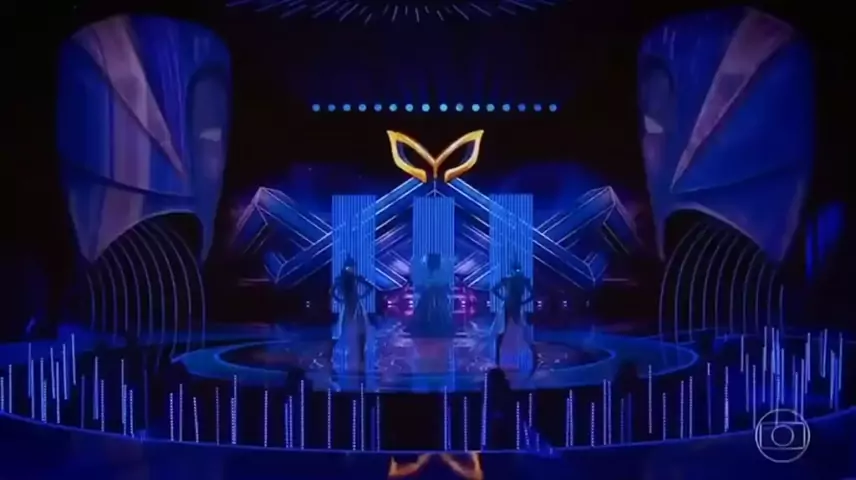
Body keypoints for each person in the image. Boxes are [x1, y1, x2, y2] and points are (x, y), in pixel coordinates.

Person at [330, 256, 375, 372]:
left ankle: (359, 356)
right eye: (350, 268)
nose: (351, 269)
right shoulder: (344, 279)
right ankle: (337, 354)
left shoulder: (352, 278)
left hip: (354, 306)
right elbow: (332, 291)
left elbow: (370, 287)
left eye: (352, 267)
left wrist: (358, 297)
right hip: (350, 307)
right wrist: (341, 299)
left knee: (357, 330)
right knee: (346, 330)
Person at [491, 259, 535, 372]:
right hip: (512, 306)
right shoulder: (518, 280)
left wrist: (506, 299)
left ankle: (498, 358)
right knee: (512, 329)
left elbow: (494, 289)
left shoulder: (517, 280)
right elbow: (494, 289)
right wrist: (522, 302)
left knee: (515, 330)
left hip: (512, 306)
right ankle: (497, 358)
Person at [409, 253, 455, 338]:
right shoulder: (423, 268)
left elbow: (445, 282)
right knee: (424, 303)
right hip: (429, 292)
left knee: (441, 304)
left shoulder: (443, 269)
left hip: (438, 291)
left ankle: (445, 321)